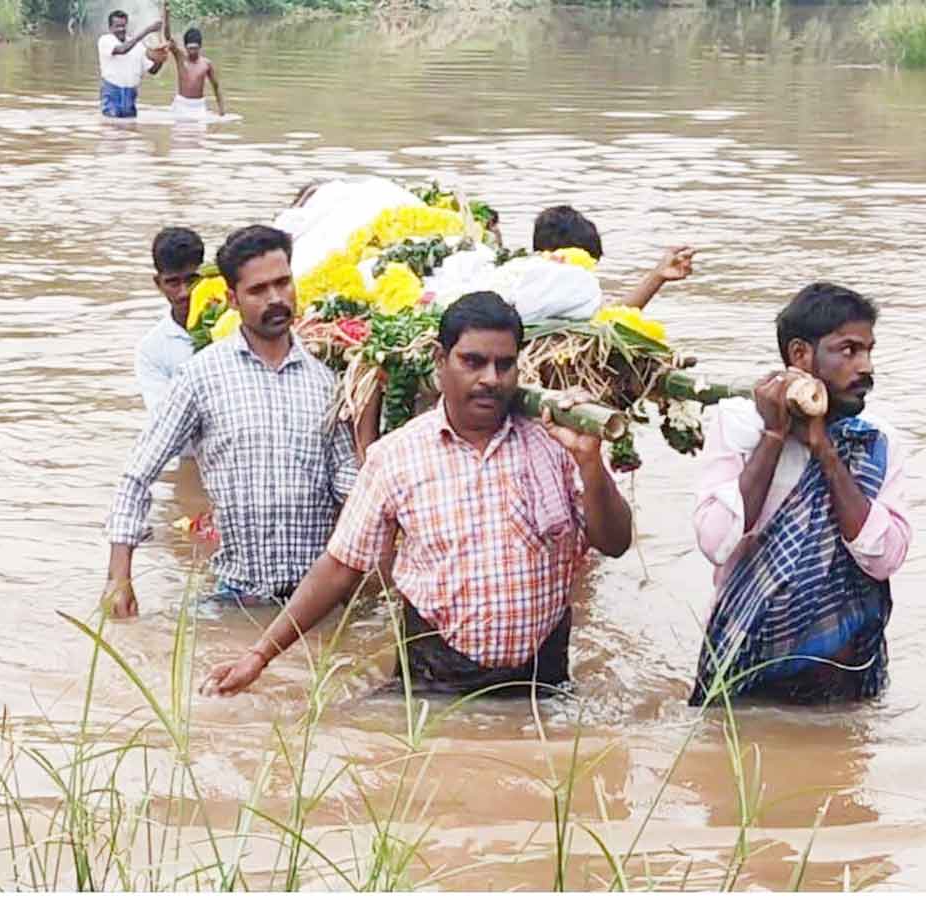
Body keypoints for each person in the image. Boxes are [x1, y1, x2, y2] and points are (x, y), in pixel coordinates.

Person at [202, 291, 635, 698]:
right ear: (440, 361)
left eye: (504, 365)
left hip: (542, 680)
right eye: (473, 362)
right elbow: (340, 567)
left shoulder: (554, 444)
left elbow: (615, 543)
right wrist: (259, 656)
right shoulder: (397, 456)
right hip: (436, 680)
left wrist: (591, 462)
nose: (490, 379)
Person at [103, 225, 376, 618]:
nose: (276, 299)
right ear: (232, 299)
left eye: (283, 283)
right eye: (258, 290)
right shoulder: (201, 377)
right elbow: (139, 472)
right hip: (236, 597)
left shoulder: (327, 382)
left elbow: (349, 490)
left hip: (314, 601)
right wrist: (119, 576)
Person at [690, 283, 910, 705]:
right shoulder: (741, 425)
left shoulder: (876, 442)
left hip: (843, 677)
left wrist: (824, 450)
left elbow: (884, 558)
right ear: (800, 355)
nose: (865, 367)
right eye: (848, 350)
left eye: (868, 351)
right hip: (749, 668)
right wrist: (774, 436)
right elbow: (716, 542)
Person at [494, 205, 696, 322]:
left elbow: (607, 315)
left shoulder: (509, 277)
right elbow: (607, 318)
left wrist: (657, 277)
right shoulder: (545, 280)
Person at [135, 227, 203, 423]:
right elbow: (163, 417)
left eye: (192, 281)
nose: (184, 293)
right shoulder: (151, 349)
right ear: (159, 283)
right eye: (173, 283)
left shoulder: (233, 326)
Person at [99, 9, 167, 120]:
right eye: (117, 26)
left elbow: (153, 70)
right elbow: (122, 50)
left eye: (123, 26)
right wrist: (147, 30)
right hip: (112, 93)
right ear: (110, 28)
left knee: (130, 126)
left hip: (130, 96)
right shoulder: (105, 40)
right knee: (111, 126)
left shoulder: (138, 45)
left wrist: (160, 59)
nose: (121, 29)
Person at [161, 2, 225, 118]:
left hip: (198, 106)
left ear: (200, 47)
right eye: (190, 48)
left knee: (200, 130)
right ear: (185, 47)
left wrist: (221, 111)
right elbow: (167, 36)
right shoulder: (180, 56)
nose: (193, 52)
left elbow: (216, 86)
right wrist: (166, 12)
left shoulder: (206, 64)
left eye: (195, 48)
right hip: (181, 104)